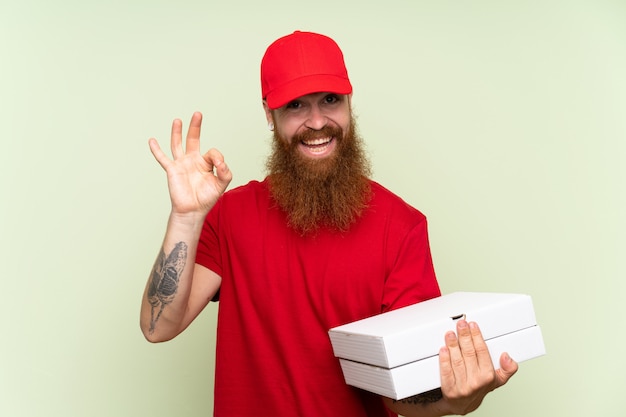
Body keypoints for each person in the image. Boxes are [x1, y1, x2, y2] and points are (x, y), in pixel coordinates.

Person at [140, 30, 518, 417]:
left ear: (350, 105)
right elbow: (158, 327)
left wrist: (456, 399)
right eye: (296, 106)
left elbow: (403, 395)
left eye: (331, 100)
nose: (317, 121)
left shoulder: (401, 227)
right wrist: (186, 217)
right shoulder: (230, 216)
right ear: (270, 115)